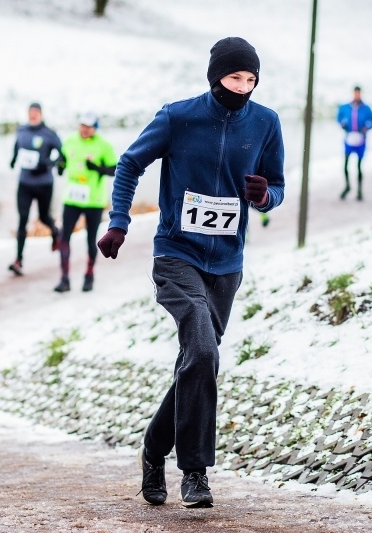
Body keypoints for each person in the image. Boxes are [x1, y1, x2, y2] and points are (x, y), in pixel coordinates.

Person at [97, 36, 284, 508]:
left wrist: (264, 197)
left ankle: (152, 450)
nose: (243, 87)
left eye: (251, 79)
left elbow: (277, 187)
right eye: (235, 77)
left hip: (227, 265)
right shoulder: (179, 117)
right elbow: (129, 164)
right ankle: (195, 473)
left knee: (195, 363)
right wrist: (119, 222)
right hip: (176, 255)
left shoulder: (266, 124)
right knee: (201, 349)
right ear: (215, 75)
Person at [53, 112, 117, 293]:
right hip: (72, 198)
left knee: (90, 240)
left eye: (88, 126)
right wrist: (59, 163)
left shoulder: (103, 145)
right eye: (82, 125)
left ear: (95, 128)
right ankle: (64, 279)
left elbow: (114, 169)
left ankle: (89, 276)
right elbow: (63, 160)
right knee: (64, 237)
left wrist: (97, 168)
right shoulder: (71, 140)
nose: (84, 129)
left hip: (93, 200)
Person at [8, 102, 63, 276]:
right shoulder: (21, 130)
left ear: (41, 114)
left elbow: (62, 155)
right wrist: (13, 159)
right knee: (22, 220)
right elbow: (17, 146)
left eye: (36, 113)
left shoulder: (49, 134)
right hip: (24, 183)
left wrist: (49, 164)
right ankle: (18, 260)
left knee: (43, 217)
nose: (33, 116)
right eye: (30, 113)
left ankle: (55, 231)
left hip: (44, 184)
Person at [336, 86, 372, 200]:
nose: (357, 95)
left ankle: (359, 190)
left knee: (359, 166)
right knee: (345, 164)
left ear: (361, 94)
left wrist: (367, 127)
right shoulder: (346, 107)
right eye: (355, 93)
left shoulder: (366, 108)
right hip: (349, 138)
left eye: (358, 93)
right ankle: (347, 186)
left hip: (360, 139)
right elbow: (339, 117)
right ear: (353, 93)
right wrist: (342, 124)